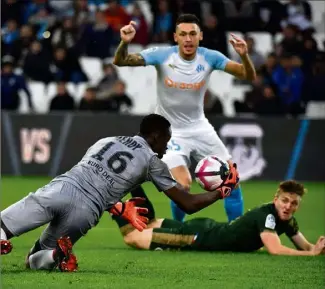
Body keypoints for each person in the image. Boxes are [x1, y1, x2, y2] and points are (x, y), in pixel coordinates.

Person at [0, 114, 239, 272]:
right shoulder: (153, 163)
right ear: (155, 136)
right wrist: (223, 191)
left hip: (62, 189)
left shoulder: (106, 140)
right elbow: (187, 203)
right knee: (34, 261)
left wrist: (119, 206)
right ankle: (53, 255)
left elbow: (92, 175)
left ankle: (4, 235)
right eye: (166, 140)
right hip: (87, 212)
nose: (167, 147)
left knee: (4, 224)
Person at [113, 14, 256, 222]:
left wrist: (243, 55)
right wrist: (124, 43)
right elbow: (121, 60)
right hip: (169, 134)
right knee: (183, 184)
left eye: (192, 34)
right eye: (183, 34)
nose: (188, 39)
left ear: (200, 36)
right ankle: (177, 229)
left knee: (232, 180)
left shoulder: (210, 57)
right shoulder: (162, 55)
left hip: (200, 129)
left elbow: (248, 76)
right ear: (175, 37)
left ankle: (238, 231)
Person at [113, 180, 325, 256]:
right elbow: (275, 250)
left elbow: (306, 247)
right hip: (196, 237)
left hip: (205, 228)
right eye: (284, 200)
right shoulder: (267, 215)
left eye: (293, 203)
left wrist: (317, 248)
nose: (288, 206)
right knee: (132, 238)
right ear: (275, 199)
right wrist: (312, 255)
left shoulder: (287, 220)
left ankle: (133, 183)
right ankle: (110, 200)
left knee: (149, 223)